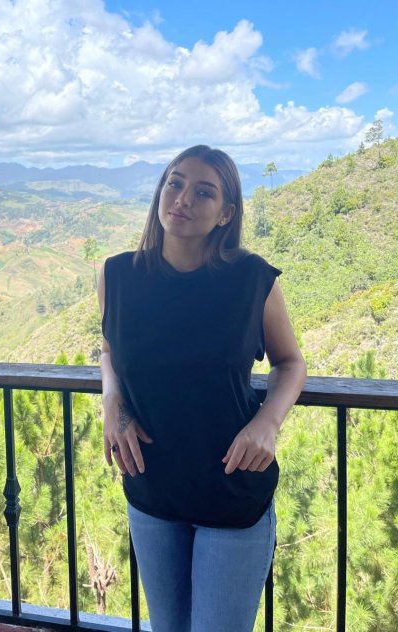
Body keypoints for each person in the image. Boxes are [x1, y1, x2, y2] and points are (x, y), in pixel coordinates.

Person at [97, 145, 307, 632]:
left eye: (203, 192)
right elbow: (108, 350)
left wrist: (267, 423)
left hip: (231, 488)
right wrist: (112, 401)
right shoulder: (117, 275)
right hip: (150, 489)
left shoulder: (252, 280)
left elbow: (290, 363)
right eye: (175, 183)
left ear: (225, 213)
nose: (183, 198)